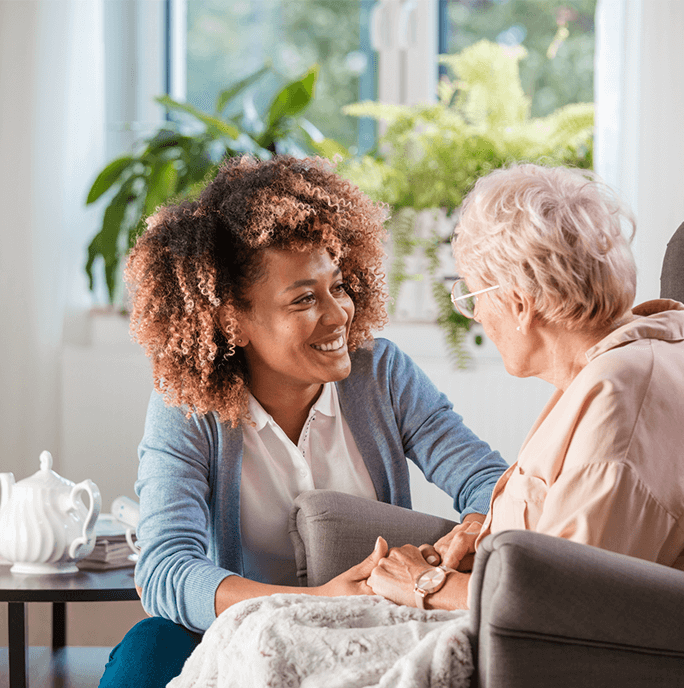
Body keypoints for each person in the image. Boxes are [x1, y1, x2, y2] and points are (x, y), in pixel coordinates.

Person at [98, 155, 508, 687]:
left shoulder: (380, 374)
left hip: (367, 632)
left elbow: (489, 483)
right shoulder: (188, 405)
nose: (339, 314)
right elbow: (165, 570)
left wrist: (469, 535)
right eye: (304, 299)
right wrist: (312, 602)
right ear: (232, 320)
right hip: (239, 638)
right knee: (148, 650)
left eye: (337, 286)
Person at [367, 163, 684, 611]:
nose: (475, 314)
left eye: (473, 296)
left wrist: (425, 583)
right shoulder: (637, 352)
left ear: (519, 303)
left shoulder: (617, 399)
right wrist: (497, 543)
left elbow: (564, 605)